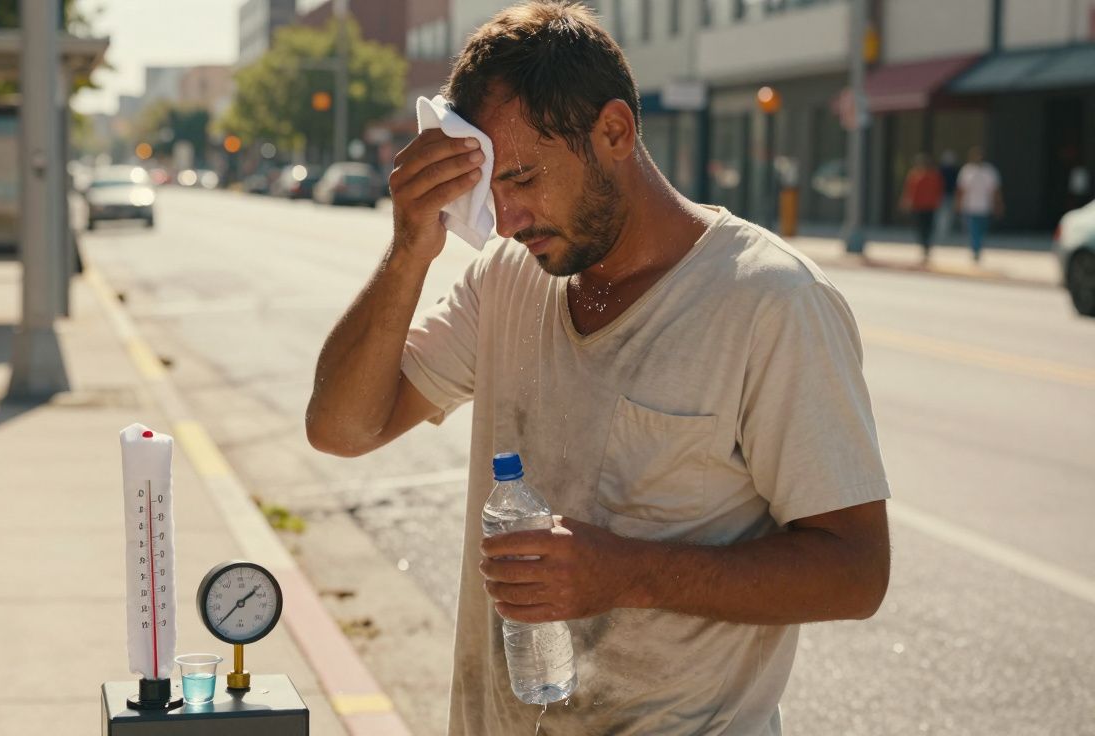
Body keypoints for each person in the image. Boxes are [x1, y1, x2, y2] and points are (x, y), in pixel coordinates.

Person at [305, 3, 890, 734]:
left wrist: (626, 574)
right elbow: (341, 428)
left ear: (614, 131)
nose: (509, 218)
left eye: (522, 177)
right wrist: (407, 251)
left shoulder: (771, 302)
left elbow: (857, 570)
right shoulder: (506, 278)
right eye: (490, 194)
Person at [955, 146, 1002, 263]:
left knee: (981, 230)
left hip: (985, 207)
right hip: (970, 206)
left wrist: (998, 204)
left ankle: (978, 247)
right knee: (973, 229)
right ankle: (975, 250)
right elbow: (961, 189)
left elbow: (995, 190)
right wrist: (959, 204)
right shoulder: (967, 171)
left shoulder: (989, 171)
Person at [899, 153, 944, 263]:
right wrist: (906, 202)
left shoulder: (934, 175)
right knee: (920, 227)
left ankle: (926, 245)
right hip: (918, 206)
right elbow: (909, 190)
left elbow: (939, 191)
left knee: (928, 227)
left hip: (930, 206)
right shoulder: (914, 175)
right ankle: (924, 245)